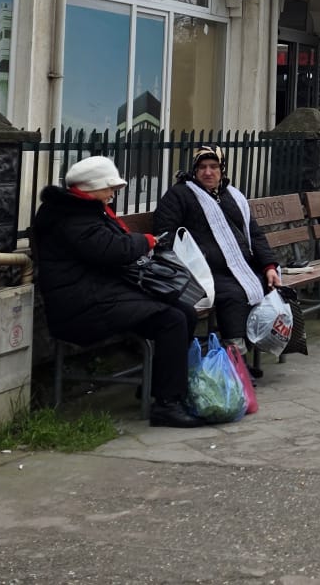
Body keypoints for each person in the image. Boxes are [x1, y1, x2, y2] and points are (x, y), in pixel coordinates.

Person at [32, 156, 205, 429]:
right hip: (81, 305)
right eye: (109, 188)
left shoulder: (85, 210)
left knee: (184, 311)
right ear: (91, 188)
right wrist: (145, 241)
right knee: (171, 320)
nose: (113, 194)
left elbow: (115, 244)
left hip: (101, 292)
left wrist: (135, 243)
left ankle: (157, 387)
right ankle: (167, 405)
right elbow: (112, 249)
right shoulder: (72, 217)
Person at [155, 147, 282, 366]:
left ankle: (250, 350)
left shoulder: (232, 195)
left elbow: (255, 234)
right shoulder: (180, 195)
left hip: (241, 267)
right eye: (202, 167)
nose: (208, 172)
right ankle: (237, 363)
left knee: (264, 283)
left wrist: (269, 266)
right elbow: (164, 233)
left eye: (213, 167)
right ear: (194, 170)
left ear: (222, 170)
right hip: (204, 272)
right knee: (234, 294)